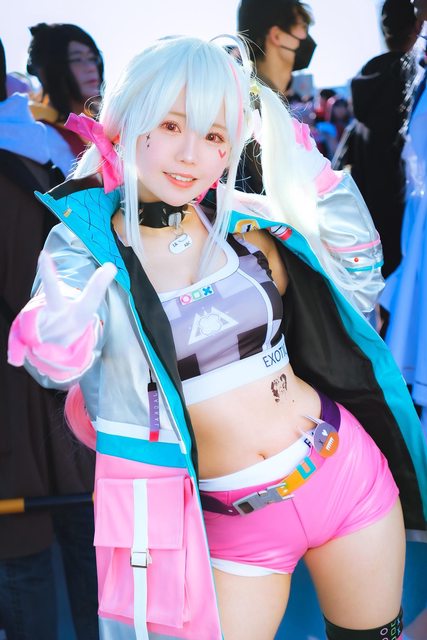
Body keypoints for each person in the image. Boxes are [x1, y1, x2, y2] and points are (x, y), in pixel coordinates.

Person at [7, 35, 427, 640]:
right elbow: (57, 350)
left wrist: (318, 177)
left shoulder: (249, 227)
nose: (191, 155)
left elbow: (358, 288)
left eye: (213, 135)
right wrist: (56, 339)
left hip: (345, 477)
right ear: (127, 122)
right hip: (232, 525)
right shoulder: (84, 248)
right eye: (171, 125)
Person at [0, 38, 98, 640]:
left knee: (29, 552)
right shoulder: (47, 151)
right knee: (79, 538)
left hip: (35, 389)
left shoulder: (50, 151)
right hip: (64, 388)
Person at [332, 0, 422, 279]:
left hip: (371, 231)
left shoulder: (364, 91)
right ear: (417, 26)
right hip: (411, 224)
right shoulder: (415, 86)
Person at [26, 22, 104, 177]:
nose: (91, 67)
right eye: (77, 59)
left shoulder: (109, 127)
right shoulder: (40, 135)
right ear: (49, 71)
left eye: (92, 58)